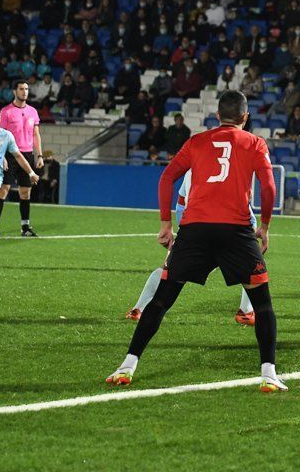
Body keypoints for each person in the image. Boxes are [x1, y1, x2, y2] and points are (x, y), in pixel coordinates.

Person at [106, 91, 286, 393]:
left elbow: (166, 178)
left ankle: (127, 365)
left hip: (195, 230)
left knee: (162, 300)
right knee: (262, 304)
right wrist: (265, 226)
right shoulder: (255, 143)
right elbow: (268, 186)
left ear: (217, 116)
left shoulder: (197, 142)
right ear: (245, 117)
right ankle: (268, 374)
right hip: (236, 232)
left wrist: (166, 225)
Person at [125, 170, 258, 326]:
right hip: (227, 229)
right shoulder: (233, 168)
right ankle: (246, 311)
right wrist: (252, 233)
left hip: (194, 231)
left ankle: (138, 309)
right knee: (252, 268)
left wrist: (183, 232)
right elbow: (243, 207)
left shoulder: (192, 169)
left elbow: (181, 203)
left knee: (168, 271)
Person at [0, 80, 44, 237]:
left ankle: (25, 228)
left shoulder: (33, 112)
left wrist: (39, 155)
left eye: (26, 89)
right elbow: (0, 136)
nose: (24, 92)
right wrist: (2, 156)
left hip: (27, 155)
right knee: (3, 189)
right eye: (21, 89)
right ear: (14, 92)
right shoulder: (6, 111)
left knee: (25, 192)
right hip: (10, 155)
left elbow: (35, 134)